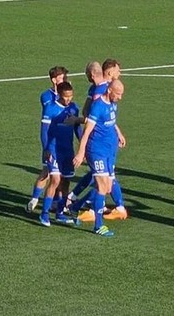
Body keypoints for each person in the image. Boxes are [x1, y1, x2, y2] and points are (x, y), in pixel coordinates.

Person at [73, 79, 127, 237]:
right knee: (102, 187)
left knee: (108, 186)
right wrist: (81, 152)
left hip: (110, 150)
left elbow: (111, 122)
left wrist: (119, 133)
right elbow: (87, 131)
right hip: (97, 150)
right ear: (109, 90)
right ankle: (98, 225)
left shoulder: (113, 103)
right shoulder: (97, 106)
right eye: (118, 94)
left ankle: (75, 207)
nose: (120, 97)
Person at [38, 80, 83, 226]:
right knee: (55, 180)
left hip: (67, 151)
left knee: (66, 182)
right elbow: (44, 131)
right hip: (54, 150)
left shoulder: (74, 108)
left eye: (70, 96)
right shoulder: (50, 108)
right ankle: (44, 214)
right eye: (65, 96)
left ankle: (60, 213)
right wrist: (46, 149)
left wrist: (83, 145)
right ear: (59, 95)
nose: (68, 99)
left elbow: (77, 129)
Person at [27, 66, 70, 213]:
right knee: (47, 172)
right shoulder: (46, 96)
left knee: (58, 175)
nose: (65, 80)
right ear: (54, 80)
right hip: (51, 142)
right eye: (62, 78)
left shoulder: (66, 94)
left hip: (62, 142)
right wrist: (46, 147)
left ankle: (56, 203)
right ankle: (35, 199)